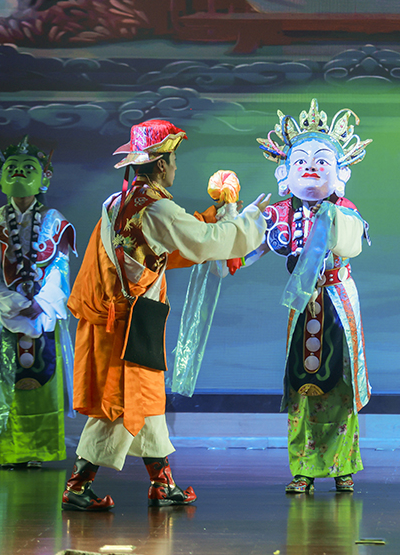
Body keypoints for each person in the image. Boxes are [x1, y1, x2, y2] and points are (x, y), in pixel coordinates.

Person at [63, 119, 269, 511]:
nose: (175, 167)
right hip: (130, 322)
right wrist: (250, 219)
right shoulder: (157, 208)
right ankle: (77, 485)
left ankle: (162, 483)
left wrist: (213, 216)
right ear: (160, 164)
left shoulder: (118, 201)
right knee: (121, 403)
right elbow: (205, 242)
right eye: (173, 160)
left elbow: (163, 248)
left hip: (125, 317)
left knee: (146, 398)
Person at [246, 98, 371, 493]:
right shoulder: (281, 213)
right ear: (284, 172)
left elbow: (351, 244)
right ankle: (303, 468)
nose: (310, 167)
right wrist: (233, 228)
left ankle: (342, 466)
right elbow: (246, 248)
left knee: (342, 384)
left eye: (321, 161)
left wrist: (330, 222)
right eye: (300, 161)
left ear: (341, 172)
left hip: (337, 299)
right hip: (302, 304)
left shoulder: (344, 210)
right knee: (300, 387)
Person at [0, 136, 76, 468]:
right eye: (11, 167)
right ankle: (7, 452)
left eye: (29, 167)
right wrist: (14, 302)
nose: (19, 173)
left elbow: (60, 267)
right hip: (8, 316)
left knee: (44, 385)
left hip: (43, 315)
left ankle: (40, 451)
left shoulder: (55, 221)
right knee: (6, 386)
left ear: (44, 176)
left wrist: (42, 303)